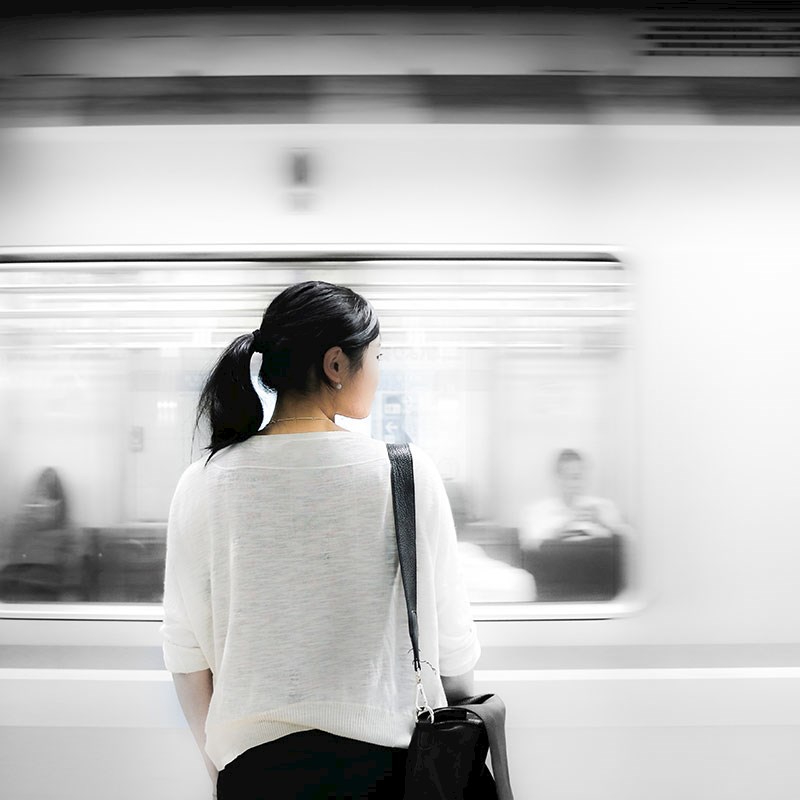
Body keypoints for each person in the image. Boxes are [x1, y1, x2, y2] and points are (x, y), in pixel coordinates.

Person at [160, 281, 481, 800]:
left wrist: (224, 772)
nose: (379, 370)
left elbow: (187, 655)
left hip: (254, 775)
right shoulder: (406, 472)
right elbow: (454, 651)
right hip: (389, 774)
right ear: (336, 365)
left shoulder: (201, 481)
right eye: (375, 355)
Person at [518, 449, 630, 550]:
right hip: (554, 567)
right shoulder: (537, 511)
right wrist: (563, 527)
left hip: (597, 567)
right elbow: (528, 547)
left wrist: (602, 522)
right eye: (570, 477)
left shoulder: (602, 507)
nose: (576, 484)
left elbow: (631, 542)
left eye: (579, 477)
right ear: (558, 478)